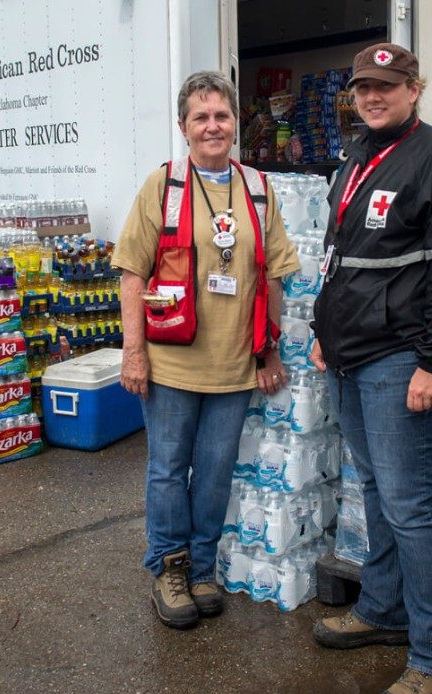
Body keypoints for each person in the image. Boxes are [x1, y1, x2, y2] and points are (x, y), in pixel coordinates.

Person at [309, 42, 432, 694]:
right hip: (349, 355)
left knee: (410, 505)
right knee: (375, 487)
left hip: (398, 358)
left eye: (386, 85)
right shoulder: (357, 155)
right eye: (363, 88)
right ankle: (382, 607)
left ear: (416, 87)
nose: (373, 97)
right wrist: (326, 335)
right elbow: (340, 260)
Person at [113, 71, 300, 630]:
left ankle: (201, 567)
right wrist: (134, 353)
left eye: (221, 116)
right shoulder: (163, 186)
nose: (212, 126)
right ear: (184, 127)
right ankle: (168, 568)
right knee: (169, 468)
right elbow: (130, 272)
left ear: (233, 124)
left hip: (235, 362)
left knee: (216, 469)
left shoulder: (259, 188)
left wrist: (268, 352)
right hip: (171, 360)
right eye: (201, 117)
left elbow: (277, 275)